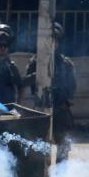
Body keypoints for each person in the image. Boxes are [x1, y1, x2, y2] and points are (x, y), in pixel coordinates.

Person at [25, 22, 77, 163]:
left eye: (54, 40)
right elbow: (28, 83)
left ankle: (61, 175)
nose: (52, 44)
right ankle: (43, 175)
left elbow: (72, 88)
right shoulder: (36, 62)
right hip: (41, 110)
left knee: (62, 149)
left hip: (60, 110)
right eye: (49, 40)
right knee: (41, 149)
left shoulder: (66, 64)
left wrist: (61, 96)